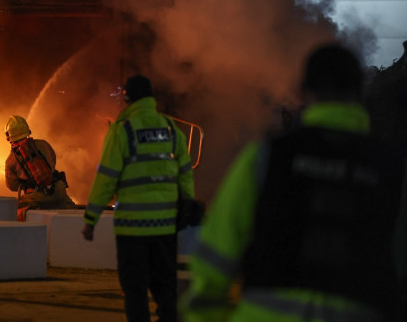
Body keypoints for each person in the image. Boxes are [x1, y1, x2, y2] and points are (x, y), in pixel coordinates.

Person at [181, 43, 407, 321]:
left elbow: (218, 246)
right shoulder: (389, 167)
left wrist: (204, 314)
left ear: (304, 90)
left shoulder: (267, 157)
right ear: (360, 91)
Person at [82, 74, 195, 322]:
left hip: (132, 228)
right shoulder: (171, 129)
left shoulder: (123, 131)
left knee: (135, 291)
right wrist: (187, 205)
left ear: (127, 100)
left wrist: (91, 219)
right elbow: (185, 174)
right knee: (166, 290)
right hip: (165, 226)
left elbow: (106, 178)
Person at [4, 115, 77, 221]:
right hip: (58, 190)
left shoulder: (11, 160)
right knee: (73, 215)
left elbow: (12, 186)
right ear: (27, 130)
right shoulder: (44, 144)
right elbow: (53, 162)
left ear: (9, 137)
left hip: (34, 199)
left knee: (13, 213)